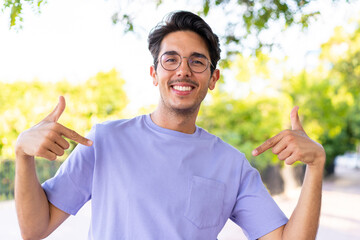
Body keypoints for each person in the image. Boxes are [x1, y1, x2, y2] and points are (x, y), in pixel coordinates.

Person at [15, 11, 325, 240]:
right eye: (171, 60)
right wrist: (22, 155)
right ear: (154, 73)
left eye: (197, 61)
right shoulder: (105, 141)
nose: (184, 71)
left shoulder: (232, 165)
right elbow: (35, 228)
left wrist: (316, 165)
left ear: (213, 78)